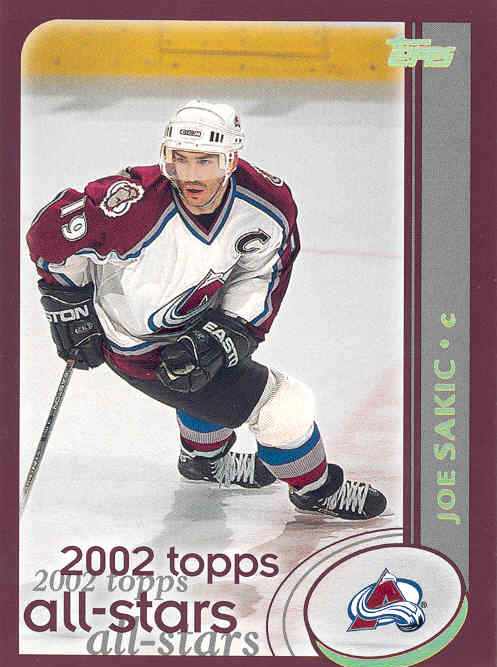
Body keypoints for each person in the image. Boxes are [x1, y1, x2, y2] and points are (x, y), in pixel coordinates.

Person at [26, 99, 387, 520]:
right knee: (285, 407)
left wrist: (232, 329)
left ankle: (202, 462)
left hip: (199, 319)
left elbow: (261, 272)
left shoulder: (266, 204)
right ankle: (316, 489)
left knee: (202, 368)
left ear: (231, 159)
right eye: (179, 159)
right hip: (136, 347)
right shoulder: (131, 202)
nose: (190, 175)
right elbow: (48, 236)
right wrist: (67, 304)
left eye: (204, 161)